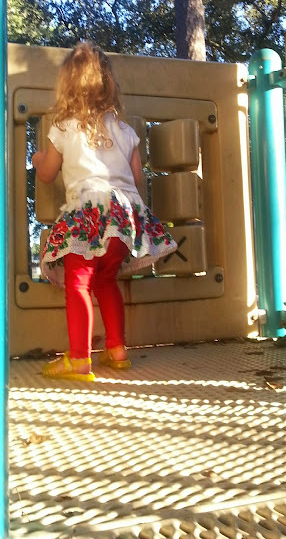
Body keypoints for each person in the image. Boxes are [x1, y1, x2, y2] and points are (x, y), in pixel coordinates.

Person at [32, 41, 177, 381]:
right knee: (106, 281)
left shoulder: (64, 126)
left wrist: (38, 159)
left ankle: (79, 358)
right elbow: (137, 178)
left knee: (78, 283)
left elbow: (48, 173)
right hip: (124, 219)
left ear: (67, 87)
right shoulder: (125, 131)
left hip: (89, 215)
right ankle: (117, 350)